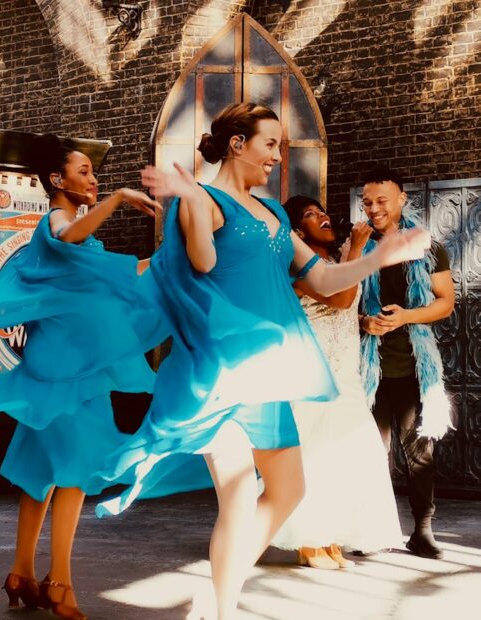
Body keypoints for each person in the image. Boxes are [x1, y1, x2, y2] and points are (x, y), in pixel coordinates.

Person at [95, 103, 430, 620]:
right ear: (237, 144)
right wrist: (188, 197)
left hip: (266, 373)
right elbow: (203, 261)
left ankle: (216, 591)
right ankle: (224, 608)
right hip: (219, 370)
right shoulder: (202, 198)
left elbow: (321, 280)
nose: (277, 155)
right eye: (270, 144)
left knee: (289, 489)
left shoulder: (273, 213)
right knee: (236, 497)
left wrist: (378, 258)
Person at [0, 135, 163, 620]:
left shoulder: (85, 237)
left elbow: (121, 279)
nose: (94, 179)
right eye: (84, 171)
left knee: (40, 474)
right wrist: (118, 198)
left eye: (96, 174)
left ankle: (21, 571)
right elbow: (64, 235)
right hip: (62, 372)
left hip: (74, 368)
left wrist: (169, 263)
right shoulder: (57, 223)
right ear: (57, 180)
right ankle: (61, 582)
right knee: (75, 471)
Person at [269, 196, 401, 569]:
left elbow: (345, 312)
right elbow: (340, 297)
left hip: (346, 372)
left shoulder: (331, 263)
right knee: (314, 455)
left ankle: (330, 535)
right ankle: (308, 541)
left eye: (322, 211)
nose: (323, 217)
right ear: (296, 232)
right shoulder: (298, 267)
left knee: (350, 454)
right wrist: (357, 248)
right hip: (311, 373)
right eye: (311, 215)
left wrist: (364, 323)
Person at [358, 168, 455, 560]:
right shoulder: (357, 244)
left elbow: (445, 302)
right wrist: (364, 321)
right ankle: (369, 528)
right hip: (367, 367)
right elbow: (339, 300)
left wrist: (405, 317)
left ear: (401, 199)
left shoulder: (427, 246)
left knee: (420, 454)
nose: (374, 208)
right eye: (367, 202)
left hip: (414, 366)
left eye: (382, 200)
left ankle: (422, 530)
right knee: (369, 452)